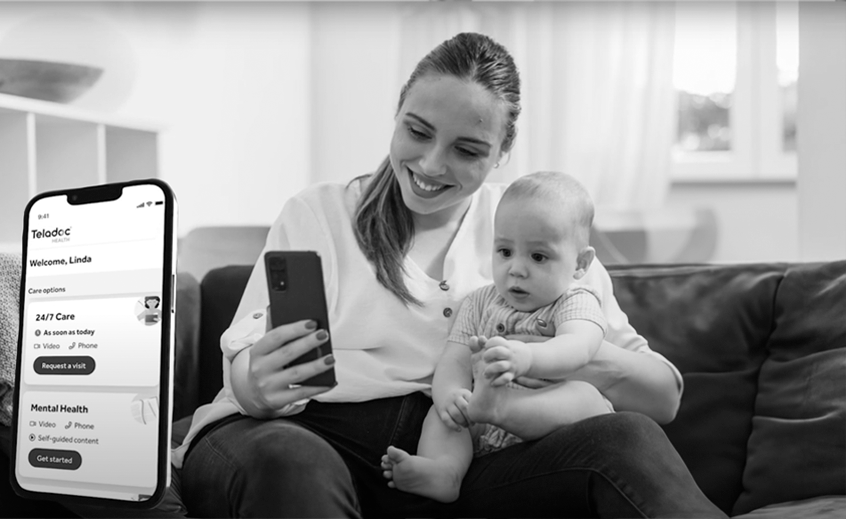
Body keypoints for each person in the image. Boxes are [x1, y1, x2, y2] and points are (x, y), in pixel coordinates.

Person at [175, 32, 727, 518]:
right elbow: (246, 372)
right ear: (396, 114)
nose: (432, 165)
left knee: (623, 437)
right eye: (417, 131)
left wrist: (560, 349)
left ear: (502, 152)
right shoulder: (319, 213)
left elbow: (662, 399)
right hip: (304, 432)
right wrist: (257, 384)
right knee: (290, 461)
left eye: (467, 149)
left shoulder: (534, 233)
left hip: (456, 464)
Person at [380, 171, 616, 503]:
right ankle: (444, 471)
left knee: (585, 396)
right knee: (443, 413)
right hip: (484, 420)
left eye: (537, 256)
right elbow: (455, 358)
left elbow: (579, 346)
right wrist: (450, 394)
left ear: (580, 263)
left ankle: (500, 407)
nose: (516, 269)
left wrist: (529, 358)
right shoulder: (478, 302)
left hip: (549, 424)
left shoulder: (576, 300)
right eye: (505, 251)